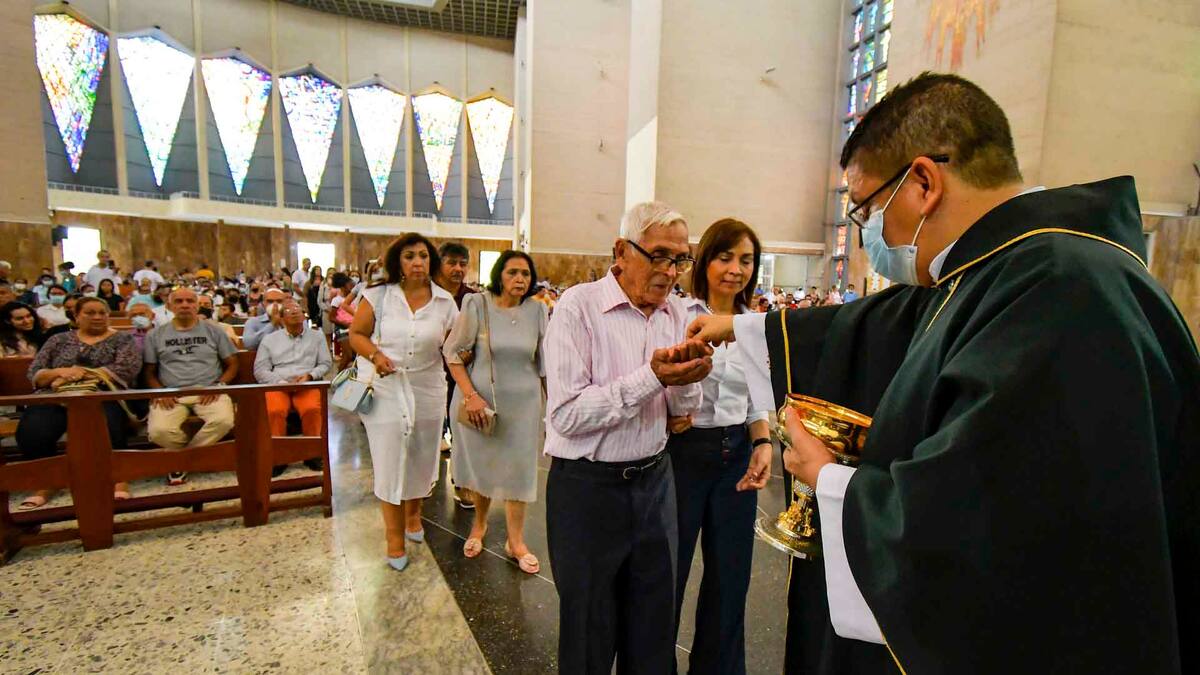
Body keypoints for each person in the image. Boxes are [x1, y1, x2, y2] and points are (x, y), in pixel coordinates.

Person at [687, 72, 1199, 674]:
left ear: (924, 183)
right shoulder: (1010, 270)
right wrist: (742, 329)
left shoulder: (1061, 291)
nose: (868, 235)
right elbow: (887, 323)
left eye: (866, 209)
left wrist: (830, 482)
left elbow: (991, 522)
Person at [542, 201, 713, 673]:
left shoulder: (676, 313)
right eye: (658, 256)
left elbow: (681, 414)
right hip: (588, 491)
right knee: (588, 635)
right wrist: (652, 378)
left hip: (655, 484)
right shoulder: (578, 307)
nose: (669, 272)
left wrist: (691, 376)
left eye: (679, 259)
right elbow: (566, 415)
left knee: (653, 633)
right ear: (621, 251)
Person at [669, 218, 772, 674]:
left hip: (736, 456)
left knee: (730, 577)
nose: (735, 269)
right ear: (705, 260)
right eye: (725, 257)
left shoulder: (755, 325)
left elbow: (756, 397)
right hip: (684, 453)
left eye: (746, 260)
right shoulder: (678, 314)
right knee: (669, 573)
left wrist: (762, 441)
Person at [347, 233, 459, 572]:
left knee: (422, 457)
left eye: (423, 255)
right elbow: (356, 334)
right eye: (409, 256)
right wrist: (376, 355)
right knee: (390, 459)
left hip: (427, 387)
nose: (417, 262)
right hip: (385, 387)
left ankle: (413, 516)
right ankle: (393, 538)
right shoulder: (378, 296)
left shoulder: (445, 302)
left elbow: (455, 346)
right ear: (398, 261)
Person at [444, 250, 547, 573]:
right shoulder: (477, 304)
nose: (520, 279)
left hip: (524, 406)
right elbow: (452, 354)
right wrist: (471, 396)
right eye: (513, 272)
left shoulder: (538, 310)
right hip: (481, 404)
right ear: (499, 274)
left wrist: (554, 409)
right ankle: (479, 526)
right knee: (483, 466)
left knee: (520, 470)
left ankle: (515, 541)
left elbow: (544, 364)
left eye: (526, 274)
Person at [16, 296, 141, 508]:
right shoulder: (58, 339)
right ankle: (47, 482)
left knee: (109, 424)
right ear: (76, 316)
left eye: (102, 313)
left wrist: (78, 374)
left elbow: (126, 369)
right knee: (34, 429)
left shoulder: (123, 339)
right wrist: (60, 373)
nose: (97, 317)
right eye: (90, 313)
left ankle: (118, 478)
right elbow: (35, 371)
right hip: (56, 395)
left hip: (101, 394)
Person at [144, 288, 239, 486]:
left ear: (197, 305)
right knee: (159, 431)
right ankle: (191, 459)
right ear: (169, 306)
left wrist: (219, 386)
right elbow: (149, 372)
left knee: (223, 421)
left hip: (209, 390)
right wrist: (160, 392)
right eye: (179, 301)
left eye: (190, 301)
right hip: (171, 393)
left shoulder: (214, 331)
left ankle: (179, 461)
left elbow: (232, 363)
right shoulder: (156, 335)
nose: (185, 305)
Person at [254, 300, 330, 475]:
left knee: (311, 409)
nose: (295, 313)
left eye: (298, 310)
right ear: (282, 319)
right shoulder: (270, 340)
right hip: (279, 383)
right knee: (275, 411)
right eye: (289, 311)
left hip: (306, 383)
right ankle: (278, 456)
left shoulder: (317, 336)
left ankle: (312, 453)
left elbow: (325, 363)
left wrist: (310, 375)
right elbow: (260, 370)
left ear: (304, 316)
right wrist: (281, 382)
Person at [434, 242, 476, 507]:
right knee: (427, 431)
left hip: (460, 374)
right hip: (429, 372)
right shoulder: (427, 295)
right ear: (439, 264)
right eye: (451, 263)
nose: (458, 269)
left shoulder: (472, 298)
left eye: (462, 263)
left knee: (462, 431)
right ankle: (422, 483)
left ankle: (462, 482)